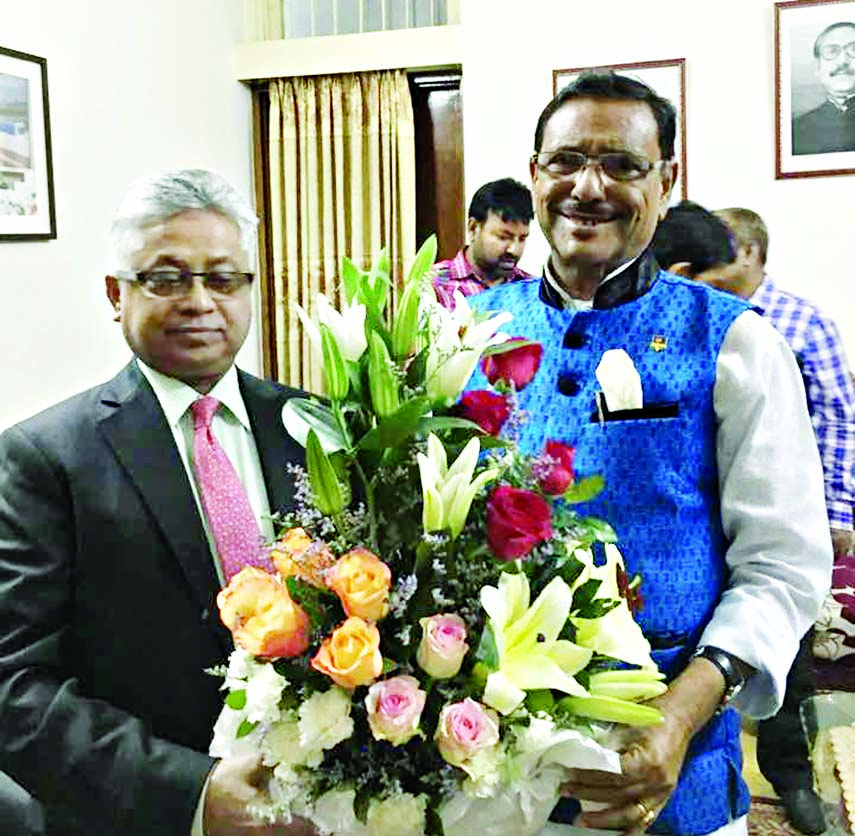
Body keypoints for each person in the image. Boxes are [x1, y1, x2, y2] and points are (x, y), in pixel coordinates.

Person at [467, 72, 831, 836]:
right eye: (564, 161)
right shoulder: (466, 332)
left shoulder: (733, 340)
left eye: (622, 166)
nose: (586, 187)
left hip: (671, 770)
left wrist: (681, 711)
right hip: (484, 772)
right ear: (534, 175)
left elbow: (783, 566)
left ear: (665, 182)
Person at [0, 170, 314, 836]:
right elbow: (15, 688)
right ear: (116, 295)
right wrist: (192, 793)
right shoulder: (44, 458)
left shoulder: (311, 427)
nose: (199, 301)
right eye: (167, 278)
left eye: (223, 278)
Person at [655, 201, 855, 832]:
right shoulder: (659, 326)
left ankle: (791, 780)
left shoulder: (795, 324)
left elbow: (838, 420)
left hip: (774, 522)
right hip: (693, 534)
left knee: (783, 660)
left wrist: (836, 514)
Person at [432, 177, 534, 308]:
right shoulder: (436, 284)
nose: (513, 250)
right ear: (473, 228)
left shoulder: (532, 290)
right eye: (503, 237)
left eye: (522, 238)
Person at [792, 22, 855, 155]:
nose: (842, 61)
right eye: (831, 51)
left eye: (854, 49)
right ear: (818, 68)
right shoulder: (794, 130)